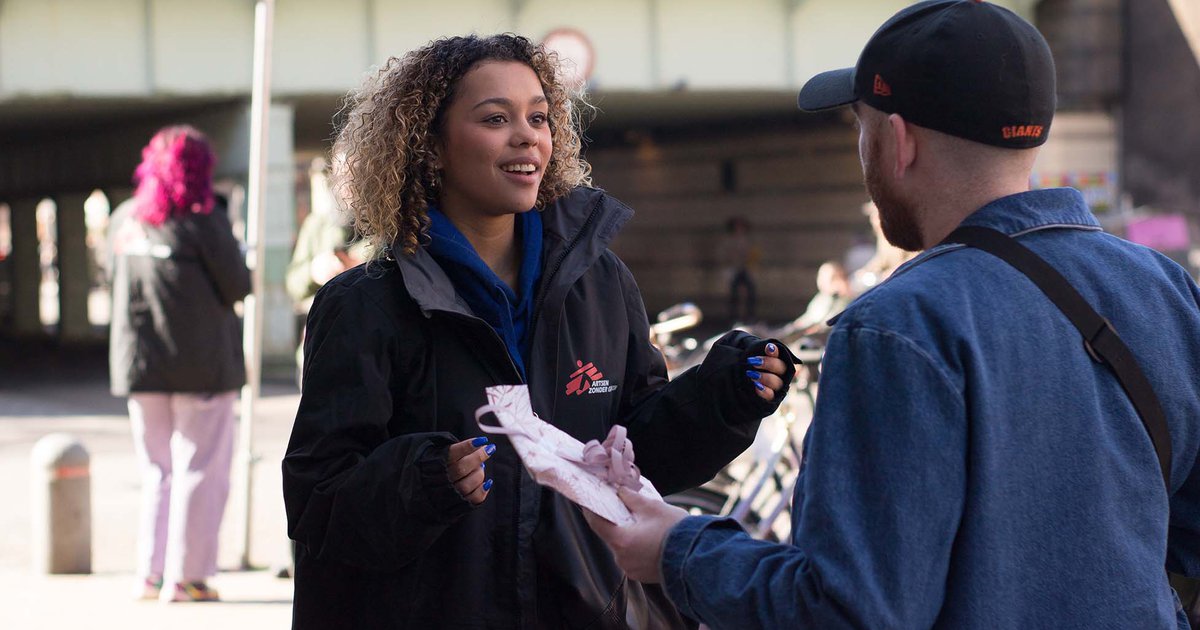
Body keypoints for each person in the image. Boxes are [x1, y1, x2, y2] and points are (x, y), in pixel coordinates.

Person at [584, 2, 1200, 627]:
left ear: (899, 140)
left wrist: (674, 549)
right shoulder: (1162, 289)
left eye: (863, 126)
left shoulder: (898, 325)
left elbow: (849, 611)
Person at [280, 34, 796, 629]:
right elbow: (320, 501)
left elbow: (636, 454)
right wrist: (425, 479)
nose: (527, 135)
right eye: (495, 118)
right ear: (430, 146)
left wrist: (721, 397)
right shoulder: (365, 304)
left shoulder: (601, 282)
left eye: (539, 117)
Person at [107, 125, 250, 603]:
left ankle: (151, 573)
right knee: (200, 469)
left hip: (141, 366)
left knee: (157, 470)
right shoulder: (203, 220)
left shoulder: (126, 220)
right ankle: (187, 578)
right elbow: (238, 285)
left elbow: (116, 279)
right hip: (201, 366)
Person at [849, 201, 918, 295]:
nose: (873, 220)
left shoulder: (902, 231)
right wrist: (866, 270)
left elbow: (917, 255)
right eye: (872, 215)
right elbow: (881, 258)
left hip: (907, 280)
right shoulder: (882, 235)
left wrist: (894, 271)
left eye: (876, 214)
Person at [781, 260, 851, 341]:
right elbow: (808, 316)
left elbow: (828, 321)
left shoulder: (842, 298)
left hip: (820, 334)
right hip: (803, 329)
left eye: (828, 277)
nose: (821, 280)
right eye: (820, 276)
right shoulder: (822, 296)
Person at [720, 216, 761, 324]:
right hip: (734, 269)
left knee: (750, 293)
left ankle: (750, 317)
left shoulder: (749, 240)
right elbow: (725, 255)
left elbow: (754, 254)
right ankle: (734, 317)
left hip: (747, 269)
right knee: (734, 295)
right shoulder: (729, 240)